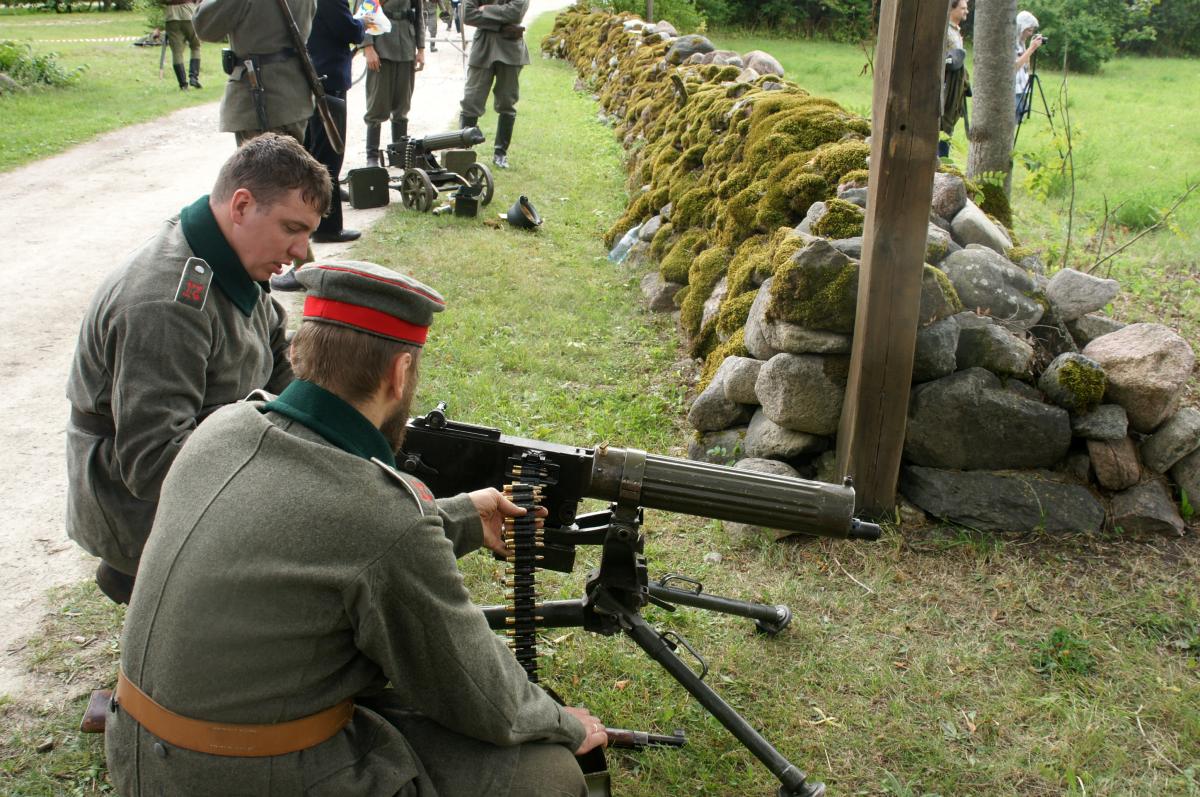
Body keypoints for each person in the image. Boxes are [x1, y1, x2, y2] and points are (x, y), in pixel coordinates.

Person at [104, 260, 607, 796]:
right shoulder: (382, 513)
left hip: (138, 750)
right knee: (546, 775)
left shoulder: (223, 428)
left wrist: (457, 516)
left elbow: (307, 526)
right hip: (237, 778)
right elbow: (480, 696)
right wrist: (565, 723)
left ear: (298, 353)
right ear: (399, 373)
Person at [65, 134, 328, 604]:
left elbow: (279, 371)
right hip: (141, 511)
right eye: (292, 228)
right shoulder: (167, 302)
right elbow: (150, 464)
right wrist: (283, 479)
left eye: (307, 233)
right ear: (242, 206)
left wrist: (334, 432)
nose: (301, 253)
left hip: (202, 462)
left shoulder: (231, 259)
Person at [194, 0, 318, 145]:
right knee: (291, 164)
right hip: (294, 95)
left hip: (260, 96)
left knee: (260, 166)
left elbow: (204, 26)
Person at [305, 0, 365, 242]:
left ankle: (320, 219)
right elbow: (347, 29)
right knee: (329, 153)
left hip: (318, 72)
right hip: (328, 77)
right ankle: (327, 227)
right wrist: (361, 24)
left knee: (317, 150)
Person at [459, 0, 529, 169]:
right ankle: (463, 153)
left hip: (510, 49)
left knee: (507, 102)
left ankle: (500, 153)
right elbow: (467, 14)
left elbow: (516, 12)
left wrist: (486, 10)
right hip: (483, 47)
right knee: (471, 101)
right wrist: (500, 23)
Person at [361, 0, 426, 167]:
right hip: (381, 45)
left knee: (402, 104)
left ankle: (399, 156)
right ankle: (372, 156)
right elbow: (365, 11)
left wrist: (421, 49)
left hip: (406, 45)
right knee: (377, 103)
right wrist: (368, 46)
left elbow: (418, 15)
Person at [939, 0, 970, 158]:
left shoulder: (955, 31)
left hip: (954, 90)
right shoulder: (945, 31)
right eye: (963, 8)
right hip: (944, 89)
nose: (967, 11)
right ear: (952, 9)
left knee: (947, 126)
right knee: (942, 125)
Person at [162, 0, 203, 90]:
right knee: (195, 46)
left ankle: (183, 84)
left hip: (171, 15)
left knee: (177, 52)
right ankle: (193, 77)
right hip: (189, 12)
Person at [1014, 10, 1045, 124]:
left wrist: (1029, 48)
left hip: (1022, 88)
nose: (1030, 33)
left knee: (1017, 123)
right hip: (1014, 90)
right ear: (1021, 28)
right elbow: (1014, 67)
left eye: (1032, 31)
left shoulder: (1022, 42)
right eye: (1028, 30)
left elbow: (1026, 67)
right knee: (1011, 123)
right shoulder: (1011, 43)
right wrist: (1031, 49)